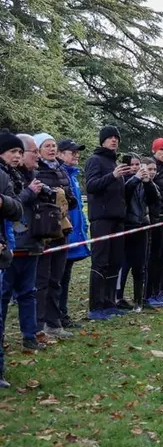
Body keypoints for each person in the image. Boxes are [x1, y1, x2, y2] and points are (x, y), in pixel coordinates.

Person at [2, 134, 48, 350]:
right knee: (4, 295)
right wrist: (30, 193)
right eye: (33, 152)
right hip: (13, 245)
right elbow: (12, 207)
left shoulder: (32, 176)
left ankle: (30, 336)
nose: (36, 156)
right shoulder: (8, 177)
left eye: (23, 152)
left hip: (32, 243)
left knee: (29, 292)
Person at [84, 126, 132, 320]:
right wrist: (112, 176)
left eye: (116, 138)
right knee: (100, 262)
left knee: (115, 262)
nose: (114, 140)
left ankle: (109, 302)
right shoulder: (94, 160)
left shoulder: (115, 163)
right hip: (101, 219)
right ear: (102, 140)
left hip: (118, 219)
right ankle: (96, 306)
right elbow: (91, 186)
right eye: (110, 138)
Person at [32, 134, 76, 339]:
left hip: (61, 228)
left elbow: (69, 195)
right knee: (41, 280)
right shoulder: (35, 169)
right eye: (46, 146)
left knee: (56, 279)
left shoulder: (60, 168)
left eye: (53, 145)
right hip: (43, 230)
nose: (51, 149)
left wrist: (68, 200)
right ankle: (37, 325)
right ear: (38, 150)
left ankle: (54, 322)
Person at [0, 131, 29, 388]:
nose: (17, 156)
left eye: (20, 152)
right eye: (13, 152)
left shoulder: (5, 177)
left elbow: (17, 208)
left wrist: (2, 201)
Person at [116, 153, 159, 311]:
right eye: (132, 164)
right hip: (125, 226)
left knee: (140, 265)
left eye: (138, 164)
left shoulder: (145, 182)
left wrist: (148, 182)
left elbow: (154, 199)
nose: (135, 167)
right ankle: (118, 297)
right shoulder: (121, 180)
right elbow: (123, 196)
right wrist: (135, 179)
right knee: (123, 265)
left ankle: (139, 300)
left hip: (142, 225)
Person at [57, 139, 89, 327]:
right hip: (60, 234)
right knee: (57, 278)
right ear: (60, 154)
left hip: (73, 232)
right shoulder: (61, 175)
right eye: (71, 152)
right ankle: (54, 317)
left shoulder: (73, 176)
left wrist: (82, 228)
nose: (76, 155)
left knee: (65, 276)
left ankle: (62, 314)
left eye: (77, 152)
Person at [146, 138, 163, 308]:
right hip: (156, 218)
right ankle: (149, 293)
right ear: (154, 151)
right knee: (154, 257)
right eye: (161, 149)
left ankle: (160, 290)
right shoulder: (152, 169)